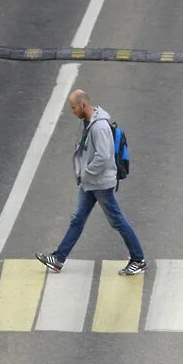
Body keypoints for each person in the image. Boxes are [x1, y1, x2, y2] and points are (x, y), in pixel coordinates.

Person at [36, 90, 147, 276]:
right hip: (91, 184)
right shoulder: (89, 122)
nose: (72, 112)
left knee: (117, 221)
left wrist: (86, 173)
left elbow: (104, 157)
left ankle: (139, 259)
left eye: (73, 108)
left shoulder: (99, 127)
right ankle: (58, 259)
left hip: (101, 184)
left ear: (83, 105)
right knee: (77, 219)